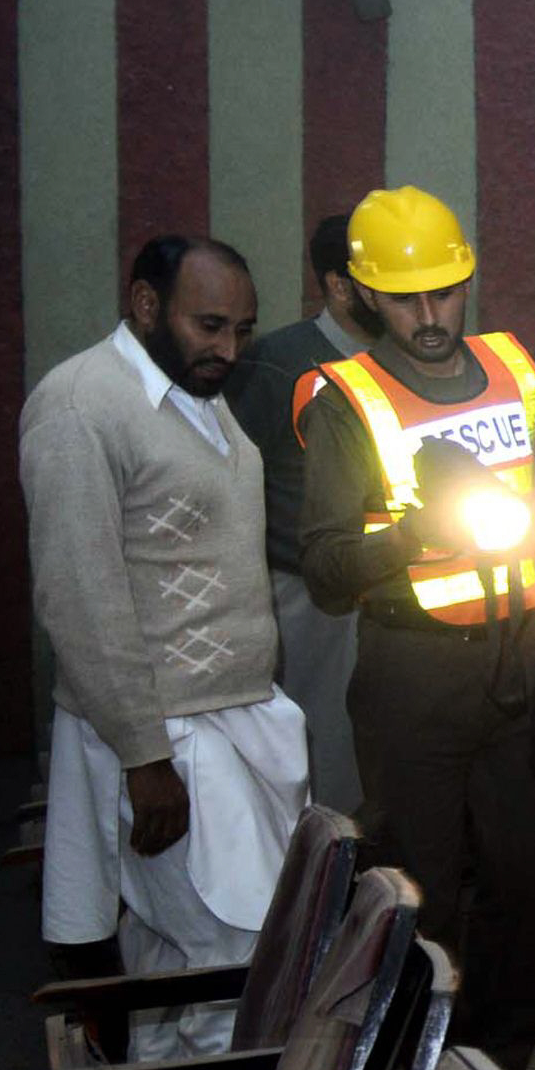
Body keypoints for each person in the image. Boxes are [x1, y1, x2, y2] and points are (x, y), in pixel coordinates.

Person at [295, 186, 535, 1070]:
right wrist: (418, 529)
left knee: (529, 886)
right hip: (413, 675)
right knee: (428, 890)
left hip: (518, 663)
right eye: (406, 297)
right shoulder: (347, 398)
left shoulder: (514, 368)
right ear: (364, 294)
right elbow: (327, 565)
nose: (431, 315)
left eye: (445, 291)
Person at [25, 236, 306, 1051]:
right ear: (146, 305)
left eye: (243, 330)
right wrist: (145, 758)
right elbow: (79, 598)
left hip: (230, 720)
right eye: (210, 325)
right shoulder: (81, 405)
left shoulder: (195, 391)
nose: (229, 349)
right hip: (169, 738)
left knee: (170, 959)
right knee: (241, 954)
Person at [228, 212, 373, 809]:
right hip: (310, 593)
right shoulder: (278, 363)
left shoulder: (409, 357)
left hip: (395, 582)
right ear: (338, 285)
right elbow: (233, 475)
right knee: (325, 746)